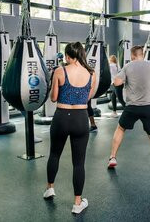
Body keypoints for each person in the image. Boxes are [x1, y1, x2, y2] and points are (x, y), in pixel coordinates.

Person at [44, 42, 96, 214]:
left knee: (54, 154)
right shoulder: (91, 73)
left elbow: (53, 98)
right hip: (81, 119)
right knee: (79, 163)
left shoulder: (60, 71)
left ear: (67, 55)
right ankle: (77, 203)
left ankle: (50, 188)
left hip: (61, 117)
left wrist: (55, 85)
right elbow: (88, 97)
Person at [107, 45, 150, 177]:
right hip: (148, 107)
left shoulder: (128, 66)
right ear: (142, 54)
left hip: (132, 107)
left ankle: (112, 157)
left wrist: (124, 79)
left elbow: (116, 83)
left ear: (132, 55)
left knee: (121, 129)